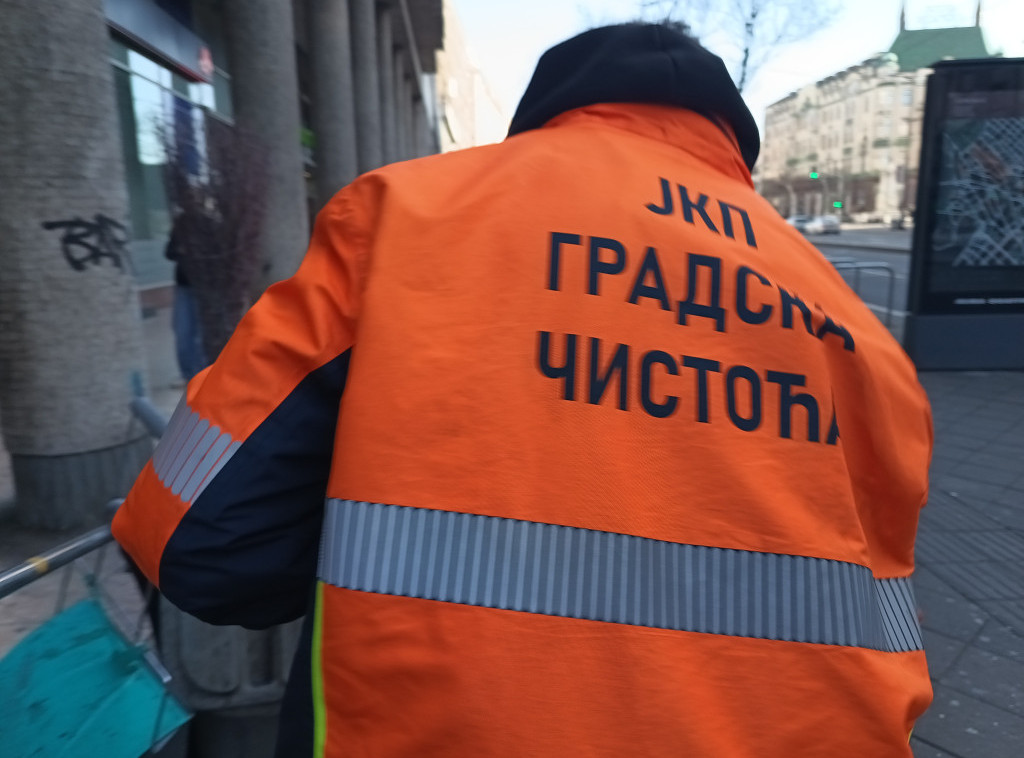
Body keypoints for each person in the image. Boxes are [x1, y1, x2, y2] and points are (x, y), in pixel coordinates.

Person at [113, 22, 933, 757]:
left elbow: (197, 542)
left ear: (545, 116)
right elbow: (879, 618)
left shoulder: (410, 218)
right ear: (732, 139)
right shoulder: (854, 327)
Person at [165, 210, 209, 381]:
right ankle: (188, 375)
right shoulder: (181, 223)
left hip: (203, 287)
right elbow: (169, 252)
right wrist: (181, 250)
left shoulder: (208, 223)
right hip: (184, 286)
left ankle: (202, 373)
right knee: (182, 331)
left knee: (201, 333)